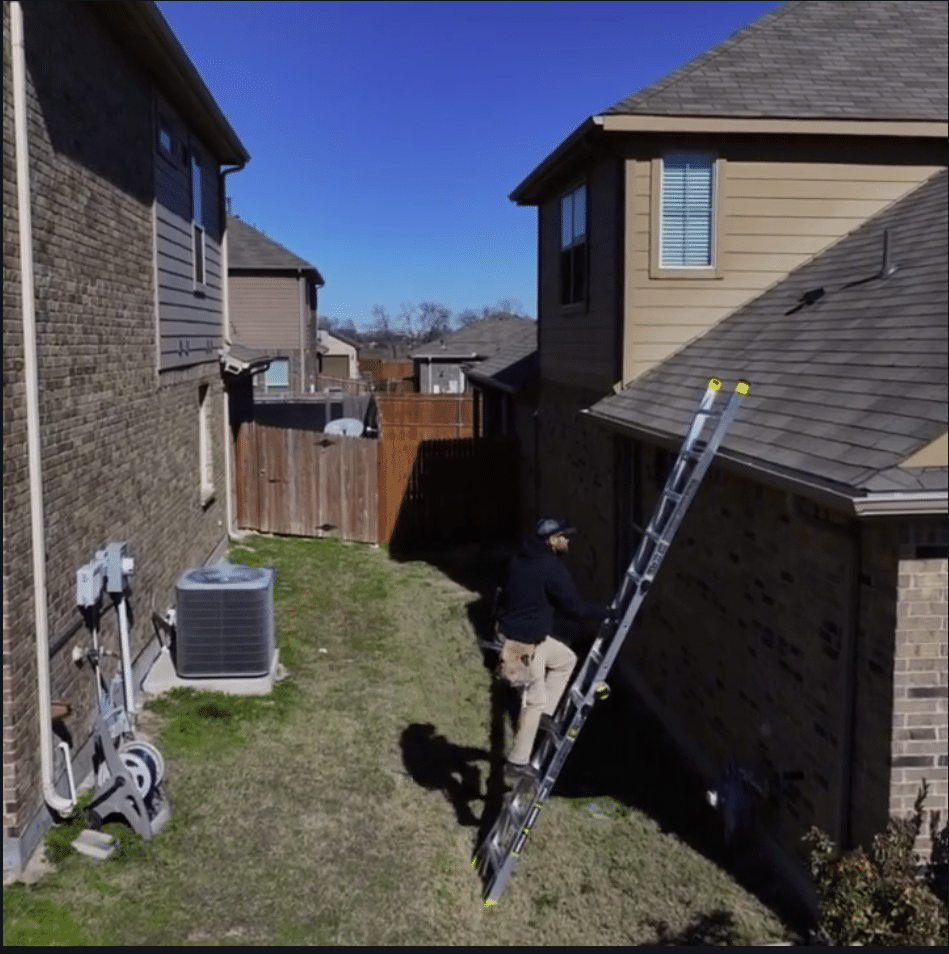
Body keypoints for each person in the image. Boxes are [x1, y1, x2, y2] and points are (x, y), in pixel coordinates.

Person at [494, 517, 612, 782]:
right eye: (564, 537)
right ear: (551, 540)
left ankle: (547, 714)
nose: (568, 541)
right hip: (522, 645)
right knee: (532, 701)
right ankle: (517, 763)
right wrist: (607, 613)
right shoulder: (550, 567)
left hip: (519, 635)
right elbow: (574, 608)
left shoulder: (520, 560)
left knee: (565, 659)